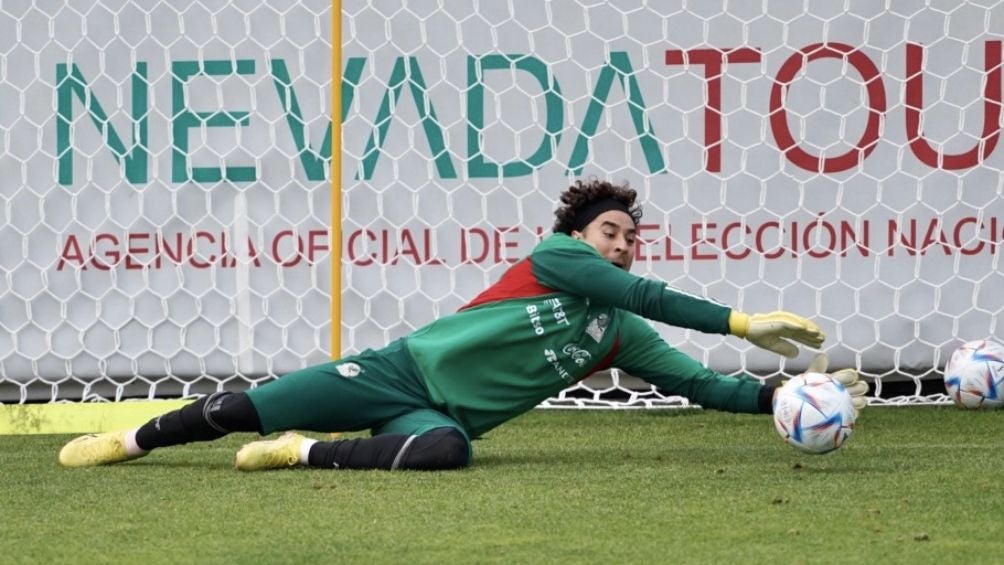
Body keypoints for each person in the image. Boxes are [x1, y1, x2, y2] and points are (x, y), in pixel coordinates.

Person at [59, 179, 867, 471]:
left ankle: (303, 453)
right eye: (611, 231)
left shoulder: (617, 330)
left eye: (630, 238)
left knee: (448, 451)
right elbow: (657, 295)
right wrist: (740, 319)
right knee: (240, 405)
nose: (621, 245)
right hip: (397, 370)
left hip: (431, 412)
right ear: (582, 235)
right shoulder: (553, 258)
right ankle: (129, 442)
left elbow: (701, 384)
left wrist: (792, 395)